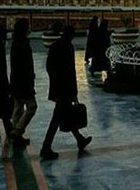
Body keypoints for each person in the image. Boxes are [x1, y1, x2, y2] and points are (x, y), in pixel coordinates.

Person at [40, 25, 92, 159]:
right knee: (57, 119)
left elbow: (49, 67)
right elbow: (70, 72)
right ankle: (46, 147)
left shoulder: (55, 46)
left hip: (58, 88)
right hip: (65, 90)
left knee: (67, 115)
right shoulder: (68, 47)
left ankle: (79, 139)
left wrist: (54, 82)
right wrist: (73, 92)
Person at [9, 18, 37, 145]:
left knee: (18, 107)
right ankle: (18, 130)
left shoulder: (15, 43)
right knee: (32, 107)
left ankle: (17, 135)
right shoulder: (23, 44)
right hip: (24, 81)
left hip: (15, 81)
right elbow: (26, 65)